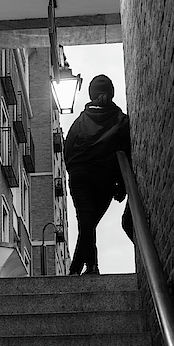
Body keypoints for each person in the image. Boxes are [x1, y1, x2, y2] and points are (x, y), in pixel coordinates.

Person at [64, 74, 132, 275]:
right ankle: (88, 266)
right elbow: (125, 153)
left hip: (80, 174)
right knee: (89, 222)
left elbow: (68, 148)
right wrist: (122, 185)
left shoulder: (80, 120)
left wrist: (74, 171)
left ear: (91, 94)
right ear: (111, 94)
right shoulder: (121, 120)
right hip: (105, 178)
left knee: (86, 221)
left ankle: (80, 267)